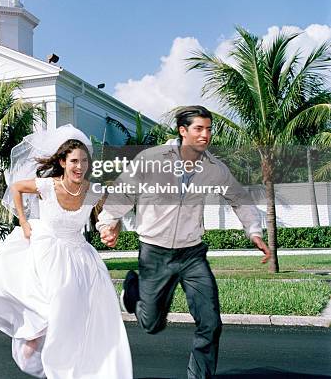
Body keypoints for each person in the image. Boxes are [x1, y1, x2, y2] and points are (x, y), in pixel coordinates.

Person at [97, 106, 271, 379]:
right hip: (154, 250)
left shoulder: (214, 168)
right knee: (152, 324)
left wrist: (254, 232)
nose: (206, 135)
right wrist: (107, 223)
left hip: (192, 252)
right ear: (183, 131)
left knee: (210, 321)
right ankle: (133, 290)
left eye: (209, 129)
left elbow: (239, 197)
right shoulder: (151, 159)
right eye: (199, 129)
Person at [0, 124, 133, 379]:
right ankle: (38, 345)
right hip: (48, 250)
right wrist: (24, 223)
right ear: (62, 161)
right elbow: (16, 188)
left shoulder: (93, 190)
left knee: (81, 313)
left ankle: (79, 366)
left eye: (84, 161)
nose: (79, 166)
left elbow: (107, 216)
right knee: (54, 307)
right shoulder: (48, 185)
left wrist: (110, 229)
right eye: (74, 161)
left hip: (80, 255)